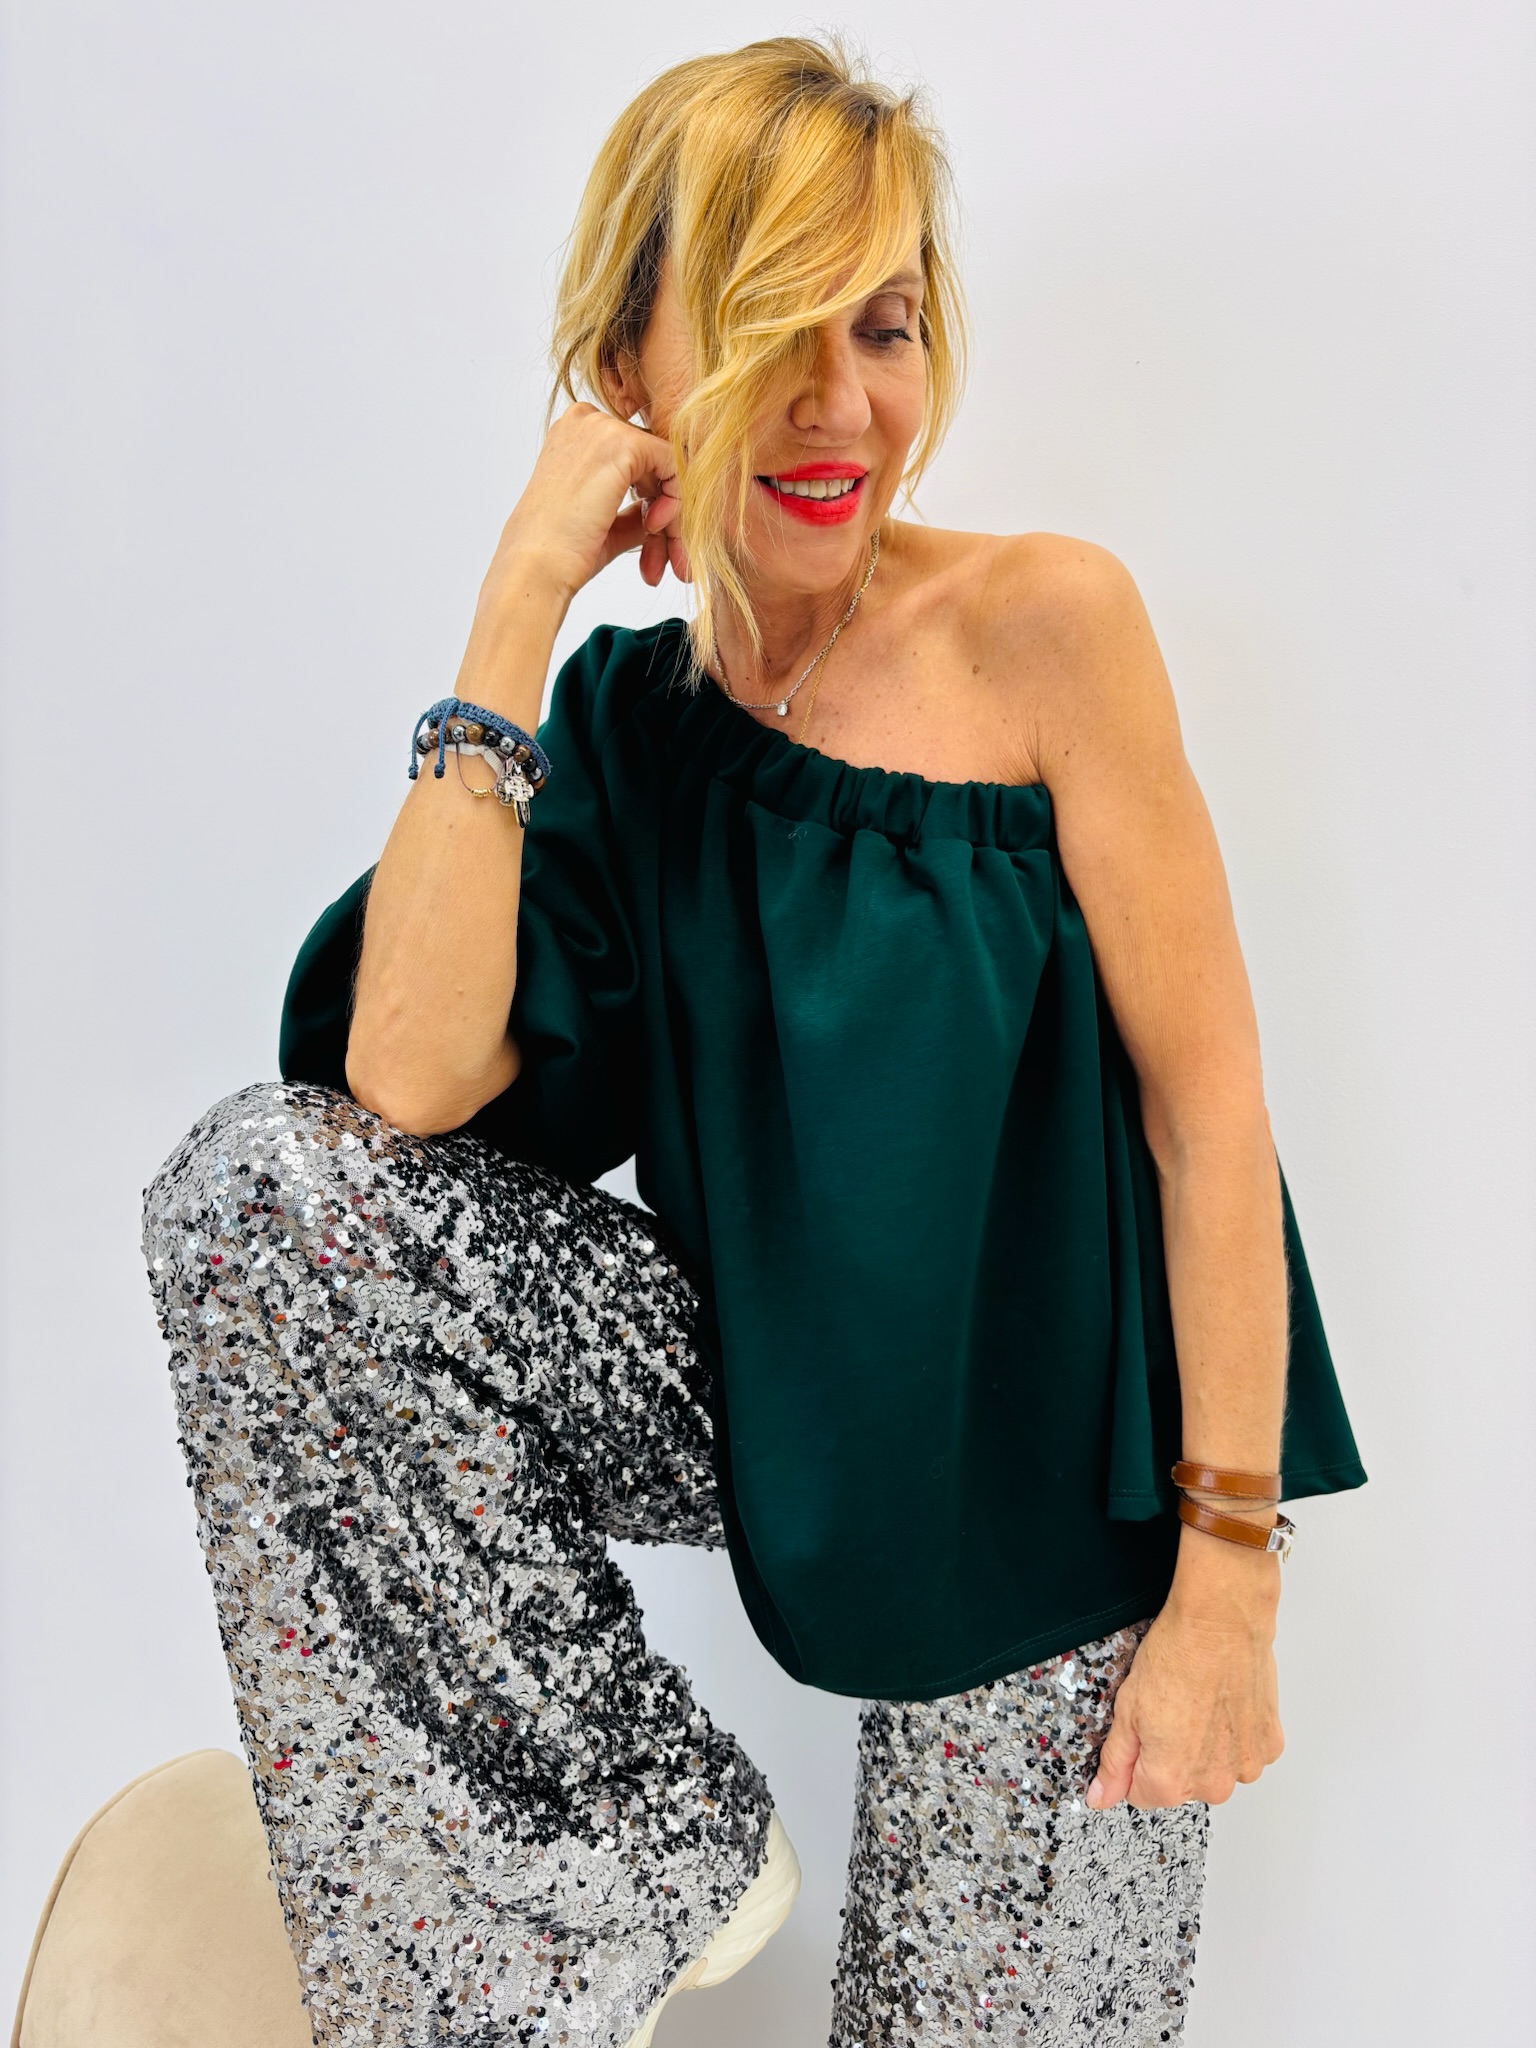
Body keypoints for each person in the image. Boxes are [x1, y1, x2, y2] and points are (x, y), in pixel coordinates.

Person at [142, 35, 1366, 2048]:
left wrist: (1230, 1581)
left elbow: (1210, 1113)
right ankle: (628, 1844)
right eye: (765, 327)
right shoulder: (637, 725)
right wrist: (517, 606)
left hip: (1051, 1503)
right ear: (628, 365)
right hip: (768, 1399)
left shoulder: (1047, 625)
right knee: (260, 1198)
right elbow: (400, 1091)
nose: (839, 404)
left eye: (880, 327)